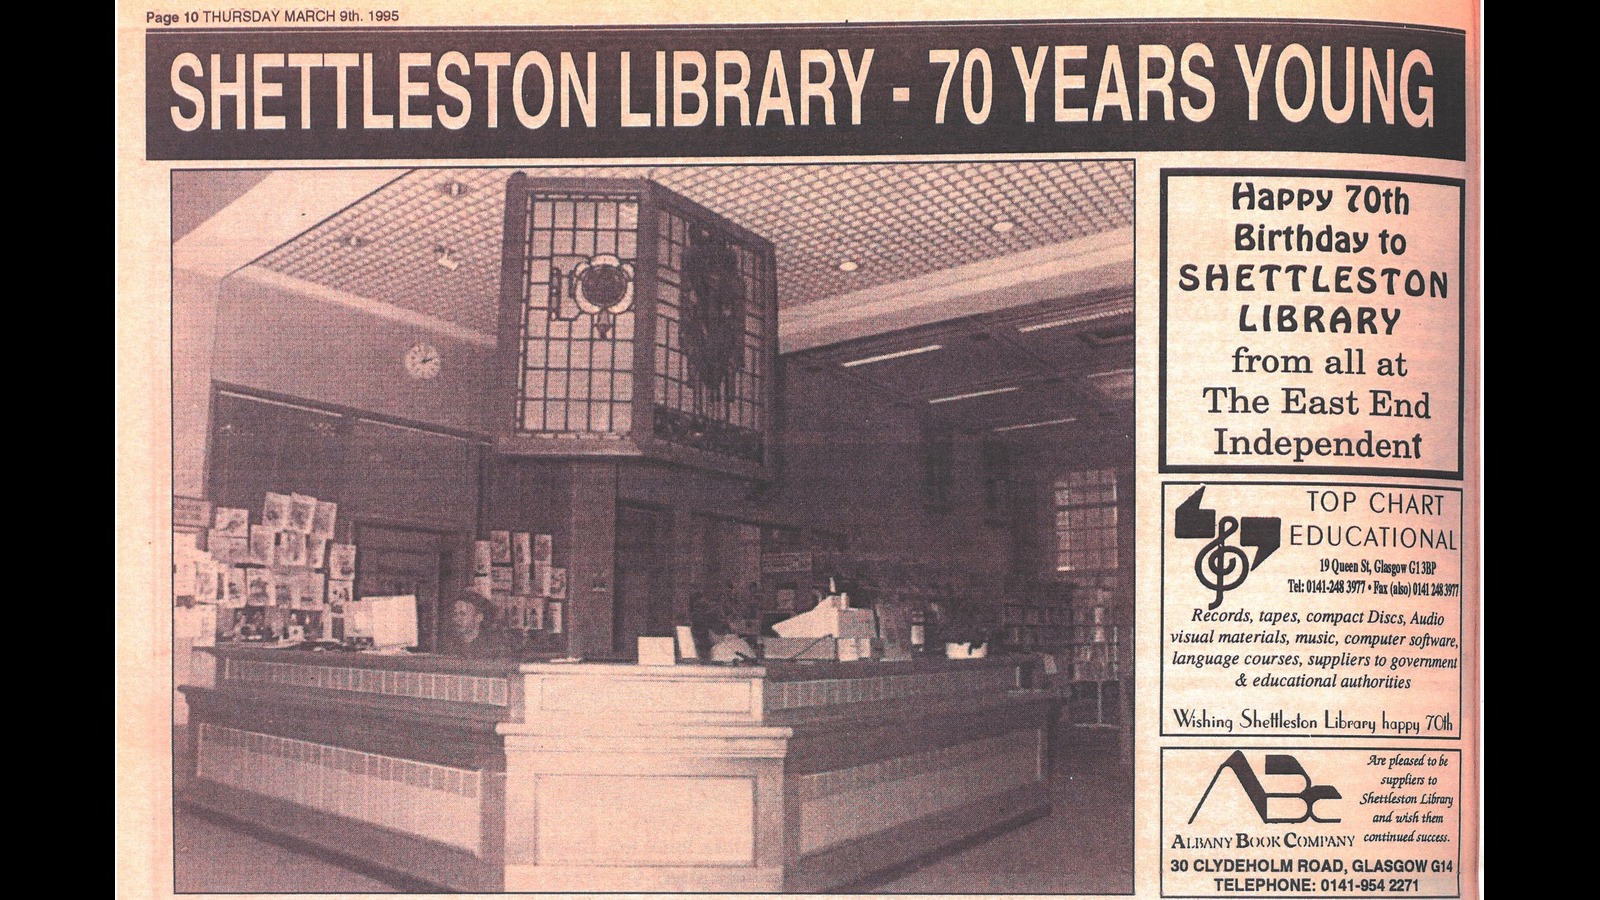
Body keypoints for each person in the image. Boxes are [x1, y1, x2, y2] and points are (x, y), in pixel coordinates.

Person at [441, 590, 515, 659]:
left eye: (463, 614)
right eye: (455, 614)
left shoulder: (495, 645)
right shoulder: (447, 643)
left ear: (479, 617)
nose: (457, 619)